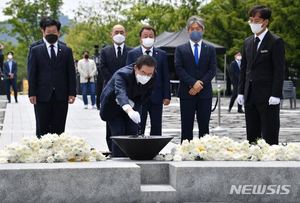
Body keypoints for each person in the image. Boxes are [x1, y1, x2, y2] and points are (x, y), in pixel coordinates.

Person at [237, 5, 285, 145]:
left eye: (256, 21)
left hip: (268, 96)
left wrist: (276, 94)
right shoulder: (247, 42)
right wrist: (240, 92)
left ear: (265, 22)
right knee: (252, 135)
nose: (253, 23)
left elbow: (279, 70)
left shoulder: (275, 42)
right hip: (250, 94)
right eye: (251, 20)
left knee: (269, 134)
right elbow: (244, 69)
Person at [28, 19, 76, 138]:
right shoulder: (35, 50)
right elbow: (32, 73)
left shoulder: (66, 50)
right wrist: (32, 93)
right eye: (48, 32)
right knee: (42, 127)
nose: (51, 34)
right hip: (42, 95)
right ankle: (42, 154)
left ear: (59, 33)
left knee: (59, 127)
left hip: (61, 95)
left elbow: (71, 72)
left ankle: (57, 153)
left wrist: (72, 92)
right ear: (43, 32)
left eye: (54, 32)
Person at [100, 55, 156, 157]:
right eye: (143, 73)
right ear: (136, 68)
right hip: (113, 105)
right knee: (118, 132)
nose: (146, 76)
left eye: (149, 74)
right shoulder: (122, 74)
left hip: (133, 103)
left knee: (132, 131)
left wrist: (136, 106)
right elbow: (120, 93)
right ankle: (118, 160)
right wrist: (129, 110)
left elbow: (146, 94)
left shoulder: (153, 75)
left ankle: (131, 157)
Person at [175, 16, 217, 142]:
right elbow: (179, 68)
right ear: (188, 31)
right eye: (192, 29)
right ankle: (186, 150)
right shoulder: (180, 49)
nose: (195, 31)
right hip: (187, 92)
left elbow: (212, 69)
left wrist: (200, 84)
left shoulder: (210, 49)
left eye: (198, 28)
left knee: (204, 125)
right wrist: (193, 83)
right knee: (186, 125)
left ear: (203, 30)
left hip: (205, 93)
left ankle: (204, 150)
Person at [126, 25, 171, 136]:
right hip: (138, 97)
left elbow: (165, 76)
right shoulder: (132, 54)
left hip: (157, 97)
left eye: (151, 36)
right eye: (145, 36)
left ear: (155, 38)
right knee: (139, 125)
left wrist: (167, 95)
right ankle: (138, 148)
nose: (148, 38)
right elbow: (128, 75)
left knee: (156, 126)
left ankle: (155, 149)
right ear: (140, 38)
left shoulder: (162, 54)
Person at [99, 24, 132, 151]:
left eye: (122, 32)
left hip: (128, 93)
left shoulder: (132, 51)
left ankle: (126, 150)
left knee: (127, 122)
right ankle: (112, 149)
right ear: (111, 34)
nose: (119, 34)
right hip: (110, 92)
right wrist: (115, 83)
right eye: (116, 32)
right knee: (111, 124)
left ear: (126, 34)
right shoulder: (105, 51)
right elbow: (103, 69)